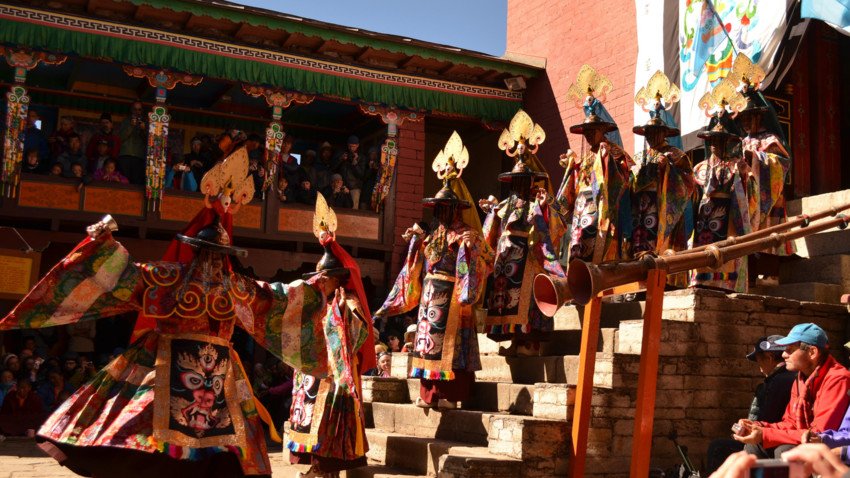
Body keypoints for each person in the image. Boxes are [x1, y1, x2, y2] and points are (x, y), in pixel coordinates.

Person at [0, 148, 340, 477]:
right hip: (214, 367)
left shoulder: (174, 277)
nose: (210, 261)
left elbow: (125, 276)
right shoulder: (234, 286)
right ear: (224, 253)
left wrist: (105, 245)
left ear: (193, 248)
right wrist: (314, 289)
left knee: (157, 429)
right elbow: (278, 298)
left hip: (175, 360)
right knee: (212, 440)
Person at [374, 131, 493, 410]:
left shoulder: (467, 233)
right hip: (430, 298)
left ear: (456, 209)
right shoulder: (434, 235)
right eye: (439, 207)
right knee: (427, 345)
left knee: (451, 349)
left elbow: (488, 258)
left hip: (453, 299)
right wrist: (416, 241)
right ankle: (428, 394)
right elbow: (419, 264)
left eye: (447, 208)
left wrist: (470, 249)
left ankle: (449, 395)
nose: (442, 212)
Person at [287, 193, 374, 478]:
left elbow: (357, 336)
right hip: (313, 370)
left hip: (336, 376)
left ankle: (326, 469)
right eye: (318, 278)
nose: (319, 282)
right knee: (309, 417)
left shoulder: (349, 302)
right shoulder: (315, 301)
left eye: (325, 279)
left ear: (337, 278)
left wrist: (336, 315)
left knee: (328, 420)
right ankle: (315, 466)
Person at [480, 111, 565, 357]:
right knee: (507, 300)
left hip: (529, 257)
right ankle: (514, 342)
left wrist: (547, 204)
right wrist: (490, 212)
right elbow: (491, 233)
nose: (519, 185)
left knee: (526, 301)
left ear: (531, 181)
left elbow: (561, 220)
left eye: (523, 180)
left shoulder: (538, 203)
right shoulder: (504, 205)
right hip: (506, 261)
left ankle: (530, 343)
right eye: (515, 180)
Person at [732, 323, 850, 458]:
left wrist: (764, 434)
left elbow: (818, 434)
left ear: (812, 352)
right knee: (755, 445)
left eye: (790, 350)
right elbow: (791, 423)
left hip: (827, 450)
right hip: (805, 440)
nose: (783, 355)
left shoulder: (837, 379)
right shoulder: (801, 378)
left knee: (785, 450)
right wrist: (758, 426)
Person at [558, 65, 633, 264]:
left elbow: (625, 179)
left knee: (597, 241)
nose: (590, 135)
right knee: (577, 244)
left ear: (603, 130)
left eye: (594, 130)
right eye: (587, 132)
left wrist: (606, 160)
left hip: (602, 206)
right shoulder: (582, 159)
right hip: (581, 208)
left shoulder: (615, 152)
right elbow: (572, 188)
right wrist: (571, 166)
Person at [629, 72, 695, 287]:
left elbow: (689, 182)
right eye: (648, 133)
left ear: (664, 133)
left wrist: (668, 171)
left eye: (655, 132)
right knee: (639, 242)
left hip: (665, 207)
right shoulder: (640, 157)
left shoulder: (675, 155)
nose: (651, 137)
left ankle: (666, 281)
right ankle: (637, 281)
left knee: (660, 245)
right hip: (641, 208)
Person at [731, 55, 796, 273]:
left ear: (760, 116)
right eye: (743, 118)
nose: (746, 122)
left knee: (769, 236)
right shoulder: (740, 143)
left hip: (768, 197)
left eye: (750, 117)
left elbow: (781, 164)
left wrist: (756, 159)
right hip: (747, 197)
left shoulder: (771, 140)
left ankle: (770, 269)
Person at [690, 78, 751, 292]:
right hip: (703, 218)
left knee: (726, 250)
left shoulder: (737, 166)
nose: (715, 145)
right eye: (712, 140)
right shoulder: (699, 168)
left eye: (720, 140)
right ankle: (702, 280)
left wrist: (740, 177)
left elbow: (745, 197)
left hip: (728, 216)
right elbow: (693, 197)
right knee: (702, 250)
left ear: (728, 141)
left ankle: (726, 284)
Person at [706, 335, 796, 473]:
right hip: (774, 435)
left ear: (769, 357)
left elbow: (769, 419)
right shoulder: (787, 379)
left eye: (759, 360)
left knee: (718, 447)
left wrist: (750, 430)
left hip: (771, 440)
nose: (759, 367)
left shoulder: (778, 382)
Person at [710, 444, 849, 478]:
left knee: (784, 450)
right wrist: (761, 428)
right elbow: (789, 421)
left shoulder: (837, 378)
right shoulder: (798, 382)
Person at [117, 101, 148, 185]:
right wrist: (131, 126)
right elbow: (120, 138)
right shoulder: (125, 121)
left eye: (139, 110)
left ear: (142, 111)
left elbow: (148, 142)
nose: (137, 112)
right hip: (125, 155)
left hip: (138, 157)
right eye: (135, 109)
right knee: (124, 181)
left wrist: (143, 130)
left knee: (136, 183)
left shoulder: (145, 122)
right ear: (131, 110)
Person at [338, 135, 365, 209]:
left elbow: (361, 174)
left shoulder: (361, 157)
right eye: (350, 146)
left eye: (353, 146)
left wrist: (355, 163)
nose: (351, 148)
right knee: (340, 209)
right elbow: (334, 168)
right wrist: (341, 159)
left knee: (353, 210)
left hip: (354, 188)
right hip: (343, 187)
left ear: (358, 145)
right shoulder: (344, 155)